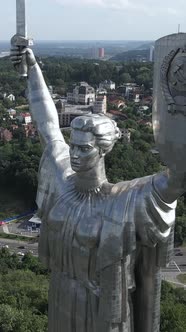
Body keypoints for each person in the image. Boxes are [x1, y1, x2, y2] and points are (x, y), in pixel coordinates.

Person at [10, 46, 185, 332]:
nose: (75, 154)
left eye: (84, 148)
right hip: (60, 299)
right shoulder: (61, 178)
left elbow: (177, 178)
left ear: (102, 150)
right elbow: (48, 125)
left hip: (101, 312)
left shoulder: (125, 202)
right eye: (73, 146)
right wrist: (33, 69)